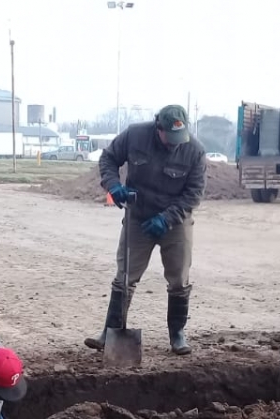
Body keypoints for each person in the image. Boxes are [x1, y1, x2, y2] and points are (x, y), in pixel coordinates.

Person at [86, 104, 207, 356]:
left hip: (175, 221)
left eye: (179, 139)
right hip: (138, 216)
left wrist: (167, 219)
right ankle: (112, 332)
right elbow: (108, 159)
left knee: (178, 278)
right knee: (125, 275)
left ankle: (177, 334)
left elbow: (194, 194)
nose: (175, 144)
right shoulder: (134, 135)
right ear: (158, 127)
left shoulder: (194, 151)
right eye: (170, 138)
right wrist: (113, 184)